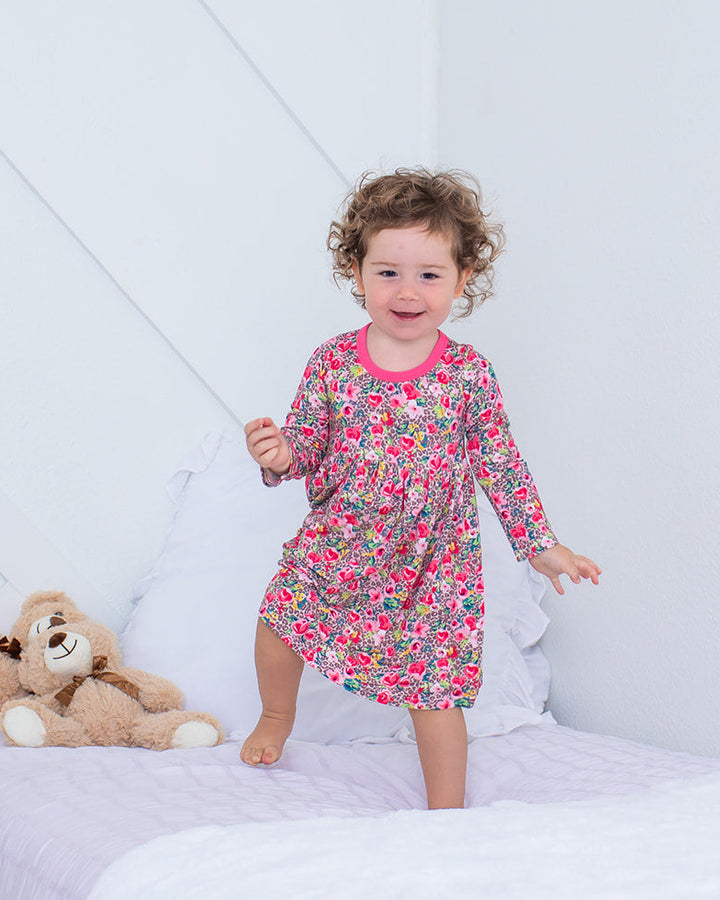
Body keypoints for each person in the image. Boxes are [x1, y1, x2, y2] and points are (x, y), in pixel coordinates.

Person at [241, 168, 601, 809]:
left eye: (429, 275)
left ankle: (447, 811)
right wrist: (283, 452)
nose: (407, 291)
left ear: (463, 280)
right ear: (356, 272)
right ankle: (276, 716)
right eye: (388, 272)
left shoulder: (468, 373)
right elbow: (310, 439)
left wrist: (540, 545)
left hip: (431, 563)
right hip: (342, 543)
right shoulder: (333, 361)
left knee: (436, 692)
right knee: (278, 621)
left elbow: (500, 463)